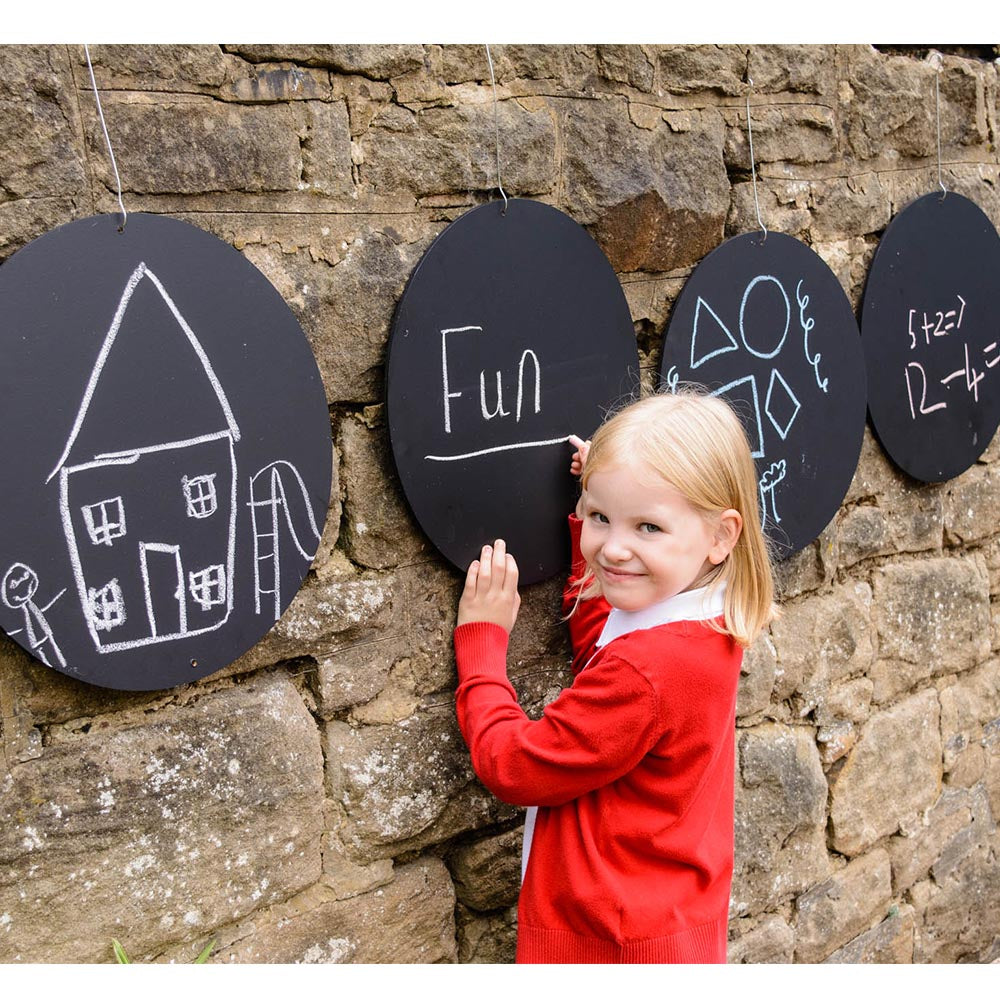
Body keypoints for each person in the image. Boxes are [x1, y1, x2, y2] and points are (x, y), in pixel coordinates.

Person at [453, 389, 776, 963]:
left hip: (610, 941)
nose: (614, 548)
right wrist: (599, 530)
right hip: (670, 916)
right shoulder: (705, 616)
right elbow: (609, 641)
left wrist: (482, 647)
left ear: (721, 536)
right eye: (599, 517)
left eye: (647, 527)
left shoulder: (651, 668)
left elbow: (516, 766)